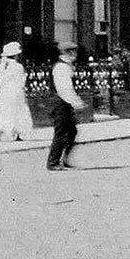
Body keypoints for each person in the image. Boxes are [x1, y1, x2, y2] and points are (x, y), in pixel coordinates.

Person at [47, 42, 86, 171]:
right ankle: (53, 162)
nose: (74, 54)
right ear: (65, 53)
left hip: (64, 102)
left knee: (71, 131)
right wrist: (77, 102)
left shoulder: (66, 66)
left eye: (74, 51)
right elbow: (65, 89)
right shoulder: (62, 67)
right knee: (62, 132)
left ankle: (63, 159)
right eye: (71, 52)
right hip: (60, 102)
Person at [0, 41, 32, 141]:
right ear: (15, 56)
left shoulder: (2, 66)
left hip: (4, 92)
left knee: (5, 111)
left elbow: (1, 81)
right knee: (17, 111)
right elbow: (21, 81)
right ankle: (16, 133)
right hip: (15, 91)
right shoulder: (18, 67)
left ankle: (5, 133)